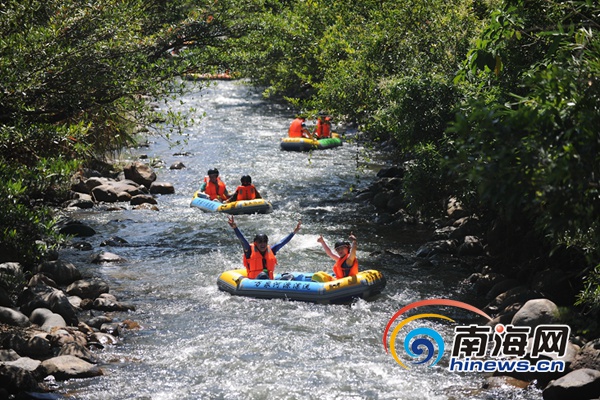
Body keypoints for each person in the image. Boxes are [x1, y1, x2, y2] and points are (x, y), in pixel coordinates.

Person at [227, 215, 302, 279]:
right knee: (262, 275)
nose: (263, 244)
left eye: (264, 242)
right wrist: (235, 228)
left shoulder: (271, 250)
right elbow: (242, 239)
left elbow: (282, 242)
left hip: (268, 281)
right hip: (253, 282)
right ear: (255, 243)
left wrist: (294, 232)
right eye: (260, 242)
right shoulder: (249, 250)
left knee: (287, 277)